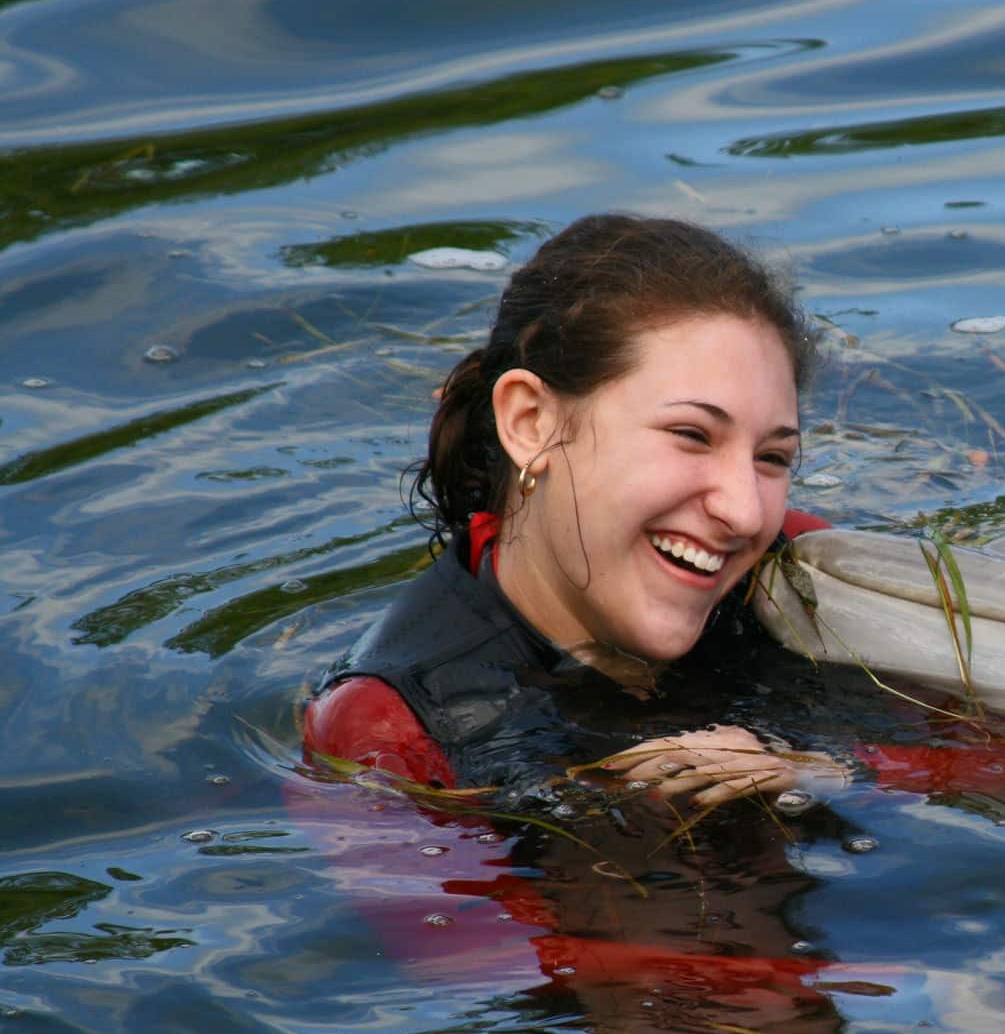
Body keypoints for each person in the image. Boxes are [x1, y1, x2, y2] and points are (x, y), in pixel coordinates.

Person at [302, 212, 835, 809]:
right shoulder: (387, 731)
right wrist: (614, 815)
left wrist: (814, 774)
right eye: (691, 434)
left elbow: (952, 771)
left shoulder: (800, 576)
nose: (742, 514)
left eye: (772, 457)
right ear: (531, 424)